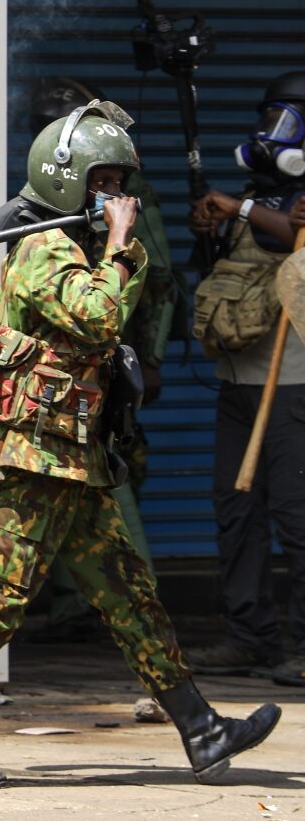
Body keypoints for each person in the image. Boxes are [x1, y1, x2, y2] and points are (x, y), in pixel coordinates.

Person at [0, 101, 279, 789]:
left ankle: (202, 728)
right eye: (103, 183)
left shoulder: (74, 248)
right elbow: (100, 316)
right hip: (34, 459)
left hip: (71, 456)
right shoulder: (44, 249)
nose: (117, 198)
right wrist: (128, 243)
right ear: (66, 181)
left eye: (121, 184)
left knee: (129, 593)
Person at [24, 79, 174, 643]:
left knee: (116, 496)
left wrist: (152, 357)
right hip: (54, 403)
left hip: (108, 370)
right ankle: (74, 608)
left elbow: (156, 280)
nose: (108, 191)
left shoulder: (125, 216)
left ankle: (182, 696)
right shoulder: (42, 233)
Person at [185, 70, 305, 684]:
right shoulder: (257, 195)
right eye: (272, 117)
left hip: (290, 388)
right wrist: (213, 226)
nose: (273, 132)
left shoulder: (290, 201)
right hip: (239, 383)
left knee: (295, 514)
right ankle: (249, 635)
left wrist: (243, 207)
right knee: (236, 509)